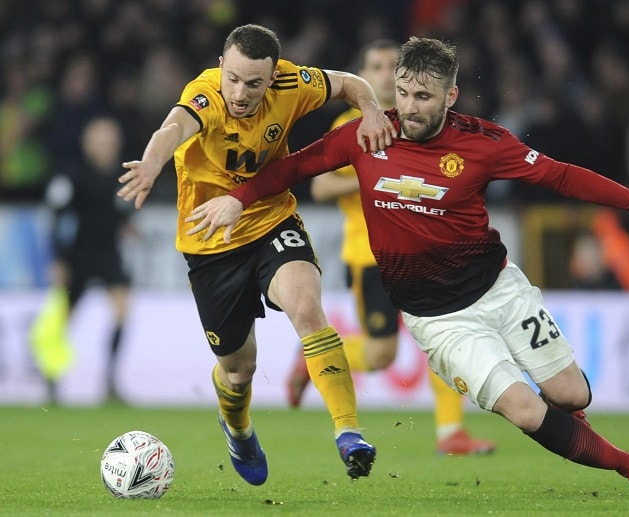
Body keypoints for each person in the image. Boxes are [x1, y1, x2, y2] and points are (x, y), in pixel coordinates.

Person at [186, 37, 629, 498]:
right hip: (438, 319)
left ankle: (575, 430)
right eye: (403, 93)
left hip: (499, 288)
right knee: (527, 412)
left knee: (572, 395)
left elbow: (560, 177)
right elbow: (293, 168)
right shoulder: (367, 135)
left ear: (450, 97)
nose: (409, 109)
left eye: (424, 97)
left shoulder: (485, 144)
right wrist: (239, 199)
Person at [116, 24, 397, 484]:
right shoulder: (204, 94)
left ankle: (349, 433)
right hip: (210, 241)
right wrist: (150, 163)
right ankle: (239, 427)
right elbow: (173, 128)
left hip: (270, 218)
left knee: (307, 306)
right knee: (239, 368)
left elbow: (350, 82)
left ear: (272, 78)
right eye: (234, 78)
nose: (240, 93)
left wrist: (369, 110)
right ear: (221, 66)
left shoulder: (293, 83)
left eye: (253, 83)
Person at [288, 38, 494, 455]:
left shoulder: (423, 123)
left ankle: (451, 432)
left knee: (446, 335)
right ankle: (314, 359)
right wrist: (371, 177)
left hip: (427, 251)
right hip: (371, 256)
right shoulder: (351, 122)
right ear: (362, 76)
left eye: (391, 66)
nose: (384, 74)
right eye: (376, 66)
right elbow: (321, 184)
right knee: (382, 354)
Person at [29, 115, 132, 403]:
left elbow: (119, 211)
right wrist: (58, 259)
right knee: (65, 319)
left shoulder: (122, 174)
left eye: (110, 140)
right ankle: (51, 377)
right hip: (78, 257)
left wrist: (127, 226)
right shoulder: (71, 174)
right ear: (87, 142)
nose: (106, 145)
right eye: (100, 139)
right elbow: (55, 216)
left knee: (123, 310)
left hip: (109, 254)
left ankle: (110, 381)